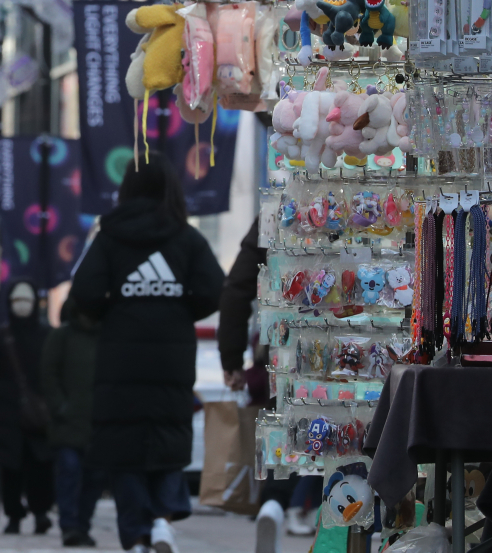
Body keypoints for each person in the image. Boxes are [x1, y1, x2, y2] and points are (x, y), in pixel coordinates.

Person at [69, 153, 224, 553]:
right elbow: (214, 289)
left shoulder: (109, 237)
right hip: (172, 357)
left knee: (123, 447)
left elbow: (84, 292)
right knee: (169, 437)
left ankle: (137, 536)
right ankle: (162, 521)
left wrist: (115, 309)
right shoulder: (186, 238)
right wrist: (179, 308)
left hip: (119, 359)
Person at [216, 220, 320, 543]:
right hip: (353, 340)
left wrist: (231, 359)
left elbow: (237, 288)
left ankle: (274, 504)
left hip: (286, 341)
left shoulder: (275, 214)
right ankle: (335, 518)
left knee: (286, 427)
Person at [0, 280, 55, 536]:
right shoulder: (2, 337)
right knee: (13, 471)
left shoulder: (43, 335)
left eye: (26, 300)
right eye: (17, 300)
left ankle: (37, 513)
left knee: (38, 468)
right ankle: (17, 515)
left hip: (34, 415)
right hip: (11, 416)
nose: (21, 306)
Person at [40, 296, 107, 548]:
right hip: (67, 424)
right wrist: (60, 406)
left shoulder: (105, 338)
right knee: (69, 472)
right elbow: (48, 373)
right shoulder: (62, 337)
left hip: (97, 424)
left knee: (94, 478)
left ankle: (83, 525)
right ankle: (69, 526)